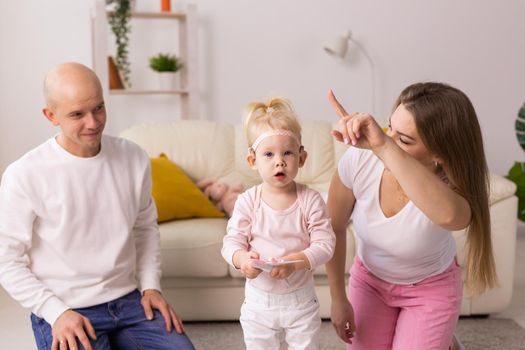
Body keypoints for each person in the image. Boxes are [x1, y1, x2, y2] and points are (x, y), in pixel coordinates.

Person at [0, 62, 194, 350]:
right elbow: (7, 261)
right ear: (51, 115)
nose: (93, 123)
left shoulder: (134, 157)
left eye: (99, 108)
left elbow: (144, 228)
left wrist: (152, 287)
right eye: (77, 114)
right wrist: (56, 313)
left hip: (129, 301)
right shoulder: (24, 174)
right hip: (67, 307)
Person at [325, 82, 497, 350]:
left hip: (431, 289)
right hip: (370, 281)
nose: (387, 139)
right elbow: (333, 227)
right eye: (389, 127)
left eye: (403, 140)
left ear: (439, 154)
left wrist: (384, 146)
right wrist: (337, 298)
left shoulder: (450, 189)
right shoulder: (358, 161)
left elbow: (452, 216)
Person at [221, 97, 336, 349]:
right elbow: (231, 243)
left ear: (301, 158)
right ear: (253, 161)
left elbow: (326, 244)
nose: (279, 161)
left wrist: (296, 261)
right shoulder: (248, 201)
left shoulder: (311, 200)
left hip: (300, 300)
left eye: (287, 153)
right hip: (259, 300)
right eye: (269, 154)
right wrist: (242, 260)